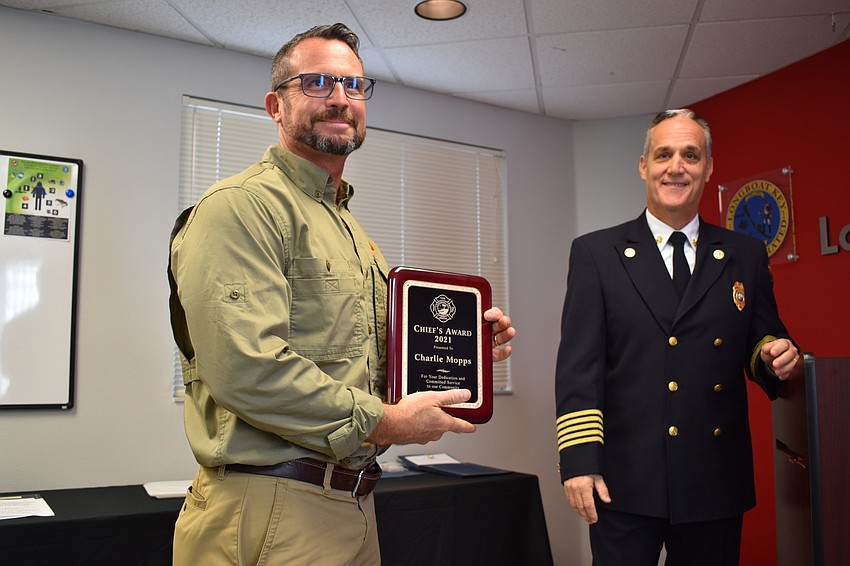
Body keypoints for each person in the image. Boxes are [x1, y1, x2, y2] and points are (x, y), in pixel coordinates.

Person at [168, 23, 515, 566]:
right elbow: (248, 369)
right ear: (275, 106)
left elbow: (367, 361)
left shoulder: (350, 230)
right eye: (317, 83)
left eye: (354, 86)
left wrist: (466, 349)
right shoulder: (241, 207)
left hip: (349, 503)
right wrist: (387, 421)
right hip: (272, 507)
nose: (340, 98)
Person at [554, 109, 801, 566]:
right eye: (664, 154)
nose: (677, 167)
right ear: (643, 166)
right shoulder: (596, 253)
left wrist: (778, 356)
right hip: (624, 482)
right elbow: (579, 369)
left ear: (708, 167)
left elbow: (762, 340)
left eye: (691, 155)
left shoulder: (744, 254)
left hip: (714, 480)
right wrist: (580, 462)